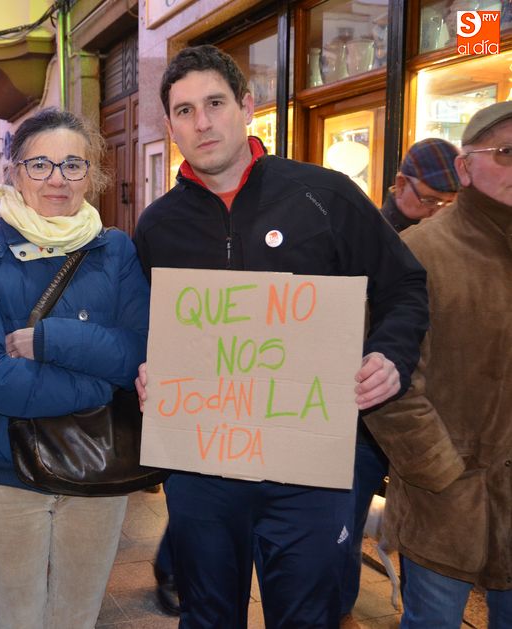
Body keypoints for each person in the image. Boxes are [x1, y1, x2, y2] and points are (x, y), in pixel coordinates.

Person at [133, 45, 428, 628]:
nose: (202, 122)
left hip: (311, 464)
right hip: (202, 465)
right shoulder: (157, 226)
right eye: (185, 111)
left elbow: (405, 285)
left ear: (246, 107)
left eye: (215, 103)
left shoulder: (325, 196)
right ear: (170, 125)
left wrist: (390, 355)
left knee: (307, 617)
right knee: (207, 616)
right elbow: (144, 327)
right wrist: (144, 369)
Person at [0, 108, 150, 629]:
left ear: (92, 175)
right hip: (6, 471)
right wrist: (101, 382)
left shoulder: (115, 249)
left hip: (98, 464)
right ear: (13, 171)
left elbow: (139, 352)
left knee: (76, 619)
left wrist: (50, 340)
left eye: (73, 165)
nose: (57, 179)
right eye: (39, 164)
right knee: (16, 620)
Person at [364, 101, 512, 629]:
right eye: (506, 151)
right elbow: (387, 384)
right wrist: (443, 475)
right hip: (445, 504)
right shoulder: (421, 251)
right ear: (465, 168)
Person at [341, 136, 461, 628]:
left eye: (447, 203)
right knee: (344, 526)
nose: (435, 212)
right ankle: (339, 608)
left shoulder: (454, 247)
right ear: (399, 185)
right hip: (365, 421)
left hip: (425, 416)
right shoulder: (365, 234)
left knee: (425, 534)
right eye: (428, 200)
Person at [380, 137, 460, 232]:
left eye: (450, 203)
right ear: (401, 185)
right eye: (430, 201)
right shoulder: (375, 235)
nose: (439, 213)